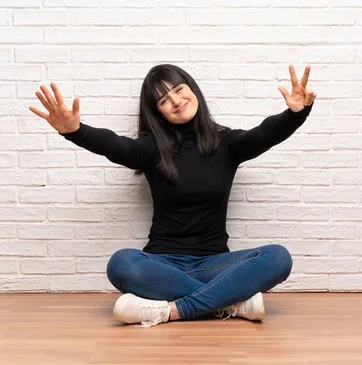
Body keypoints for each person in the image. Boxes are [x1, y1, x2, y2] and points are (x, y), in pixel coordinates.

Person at [29, 63, 316, 328]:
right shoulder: (151, 149)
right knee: (121, 263)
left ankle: (171, 310)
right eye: (164, 100)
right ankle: (229, 303)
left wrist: (295, 114)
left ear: (192, 90)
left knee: (278, 257)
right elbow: (116, 146)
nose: (176, 101)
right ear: (158, 112)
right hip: (161, 265)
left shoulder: (228, 143)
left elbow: (265, 133)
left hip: (215, 265)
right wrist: (76, 132)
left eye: (178, 90)